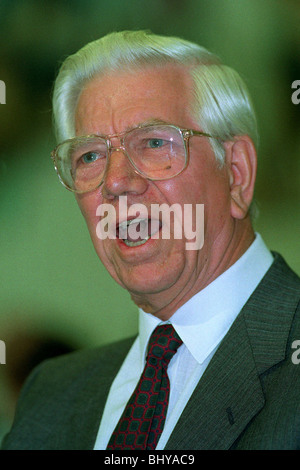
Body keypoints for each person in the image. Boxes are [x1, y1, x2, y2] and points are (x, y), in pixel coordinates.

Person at [2, 30, 300, 450]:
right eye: (90, 156)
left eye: (155, 143)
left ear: (236, 173)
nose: (116, 182)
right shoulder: (49, 397)